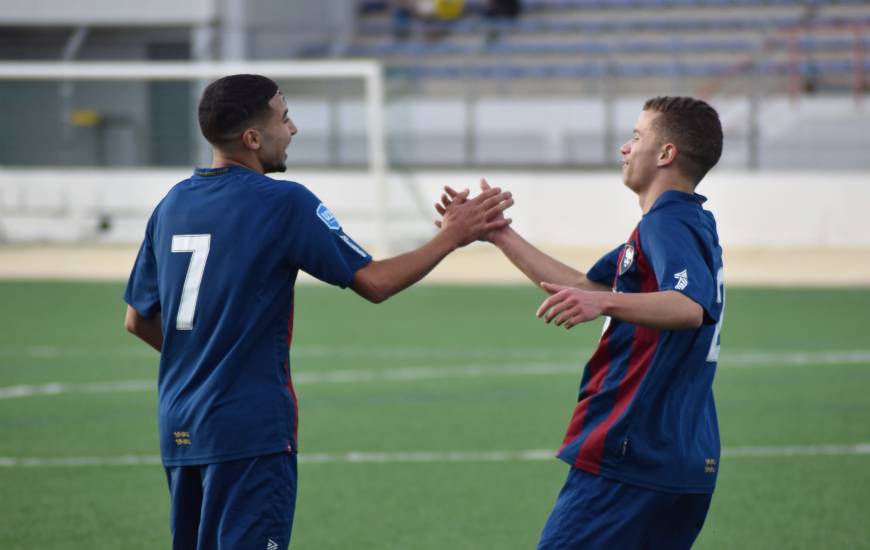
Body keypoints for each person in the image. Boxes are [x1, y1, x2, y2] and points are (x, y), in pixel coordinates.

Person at [123, 73, 513, 550]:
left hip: (179, 426)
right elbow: (375, 282)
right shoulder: (284, 202)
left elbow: (138, 319)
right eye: (283, 119)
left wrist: (210, 352)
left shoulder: (171, 205)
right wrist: (452, 235)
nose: (294, 129)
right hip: (250, 430)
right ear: (252, 138)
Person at [437, 96, 725, 549]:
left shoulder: (664, 226)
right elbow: (582, 286)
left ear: (666, 154)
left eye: (636, 137)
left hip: (632, 453)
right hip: (682, 458)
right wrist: (498, 232)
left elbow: (688, 306)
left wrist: (607, 305)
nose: (625, 149)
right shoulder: (690, 223)